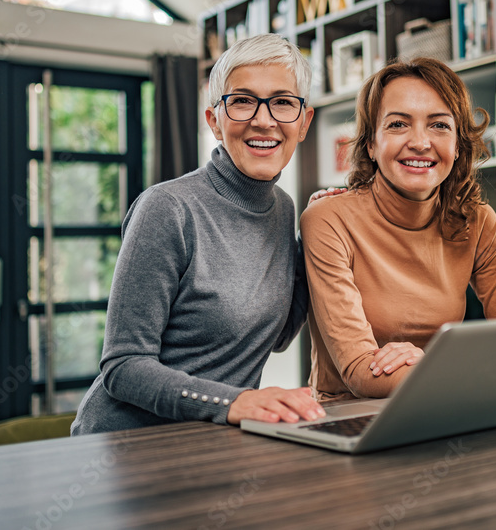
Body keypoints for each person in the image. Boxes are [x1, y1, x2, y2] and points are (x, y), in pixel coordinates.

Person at [301, 58, 496, 415]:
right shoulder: (327, 219)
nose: (420, 142)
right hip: (353, 414)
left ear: (458, 144)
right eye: (398, 124)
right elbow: (360, 371)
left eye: (439, 125)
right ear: (370, 144)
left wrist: (443, 368)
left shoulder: (478, 222)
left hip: (451, 405)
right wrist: (466, 372)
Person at [72, 34, 325, 434]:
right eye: (242, 101)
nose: (264, 119)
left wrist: (322, 228)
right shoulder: (167, 209)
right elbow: (123, 367)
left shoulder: (284, 208)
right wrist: (235, 401)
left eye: (282, 102)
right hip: (125, 447)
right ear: (215, 122)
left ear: (304, 122)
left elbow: (274, 339)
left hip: (212, 441)